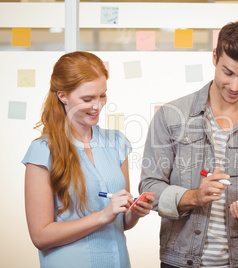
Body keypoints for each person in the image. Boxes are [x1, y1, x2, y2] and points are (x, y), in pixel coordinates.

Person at [139, 20, 238, 268]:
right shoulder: (171, 116)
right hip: (180, 260)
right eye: (227, 73)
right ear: (214, 57)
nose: (234, 85)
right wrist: (193, 196)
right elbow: (149, 187)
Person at [22, 51, 155, 268]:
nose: (98, 106)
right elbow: (40, 236)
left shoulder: (117, 143)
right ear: (62, 96)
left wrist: (134, 212)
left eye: (102, 95)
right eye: (87, 99)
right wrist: (103, 215)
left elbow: (120, 221)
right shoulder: (43, 152)